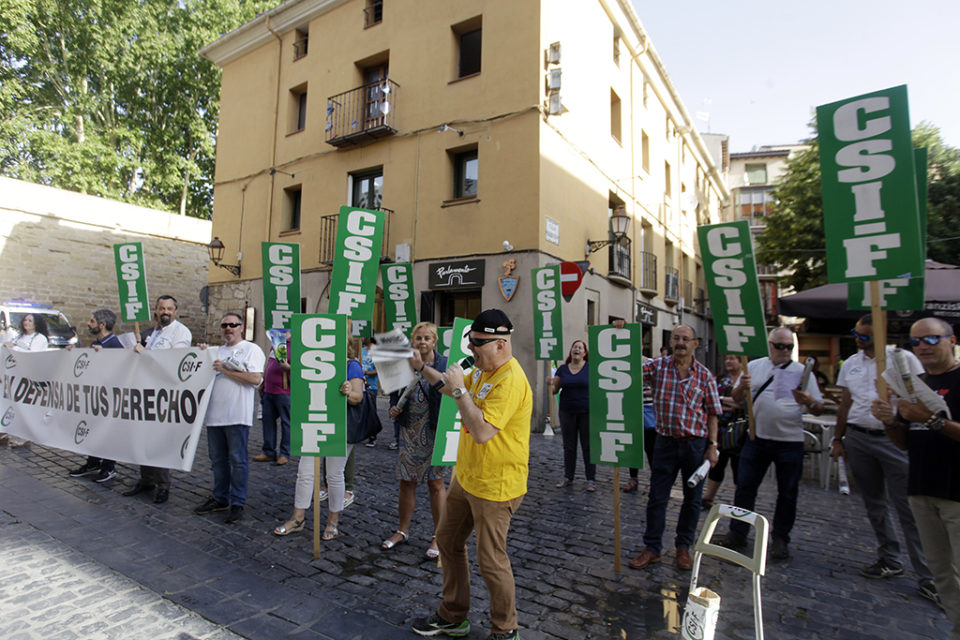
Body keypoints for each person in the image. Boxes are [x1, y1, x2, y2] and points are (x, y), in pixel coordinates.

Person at [411, 309, 531, 640]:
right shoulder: (481, 368)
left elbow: (481, 431)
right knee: (448, 541)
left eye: (478, 343)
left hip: (497, 485)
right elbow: (451, 390)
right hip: (466, 478)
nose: (472, 349)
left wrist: (461, 391)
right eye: (471, 342)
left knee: (491, 560)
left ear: (502, 344)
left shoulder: (509, 380)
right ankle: (453, 616)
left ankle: (506, 629)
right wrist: (424, 369)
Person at [832, 315, 936, 602]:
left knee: (909, 508)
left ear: (879, 335)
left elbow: (922, 398)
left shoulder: (902, 359)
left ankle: (929, 574)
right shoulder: (851, 364)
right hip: (858, 437)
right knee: (874, 504)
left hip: (893, 439)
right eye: (856, 334)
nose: (858, 339)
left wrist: (899, 402)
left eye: (864, 336)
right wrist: (838, 439)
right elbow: (845, 403)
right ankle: (889, 558)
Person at [872, 317, 960, 638]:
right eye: (916, 342)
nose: (923, 346)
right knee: (942, 574)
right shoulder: (915, 384)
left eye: (932, 339)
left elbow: (930, 422)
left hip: (956, 492)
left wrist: (931, 419)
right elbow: (905, 441)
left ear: (951, 340)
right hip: (922, 487)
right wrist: (889, 421)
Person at [721, 327, 824, 561]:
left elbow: (818, 409)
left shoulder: (802, 372)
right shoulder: (755, 367)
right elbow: (736, 400)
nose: (785, 351)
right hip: (757, 439)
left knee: (787, 493)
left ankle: (780, 539)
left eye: (789, 347)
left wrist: (809, 400)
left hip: (790, 442)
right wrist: (741, 388)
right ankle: (738, 533)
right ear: (770, 345)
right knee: (745, 488)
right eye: (781, 346)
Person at [628, 325, 721, 572]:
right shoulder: (657, 367)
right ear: (670, 341)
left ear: (695, 344)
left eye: (685, 339)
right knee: (657, 497)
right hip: (665, 443)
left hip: (695, 445)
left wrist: (712, 446)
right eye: (677, 338)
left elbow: (713, 413)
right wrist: (621, 333)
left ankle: (683, 548)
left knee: (692, 500)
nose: (680, 343)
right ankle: (652, 548)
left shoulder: (704, 376)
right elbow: (627, 365)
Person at [274, 338, 364, 540]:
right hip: (314, 420)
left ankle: (333, 521)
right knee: (305, 471)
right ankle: (298, 518)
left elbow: (358, 397)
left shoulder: (352, 365)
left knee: (334, 474)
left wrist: (348, 393)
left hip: (340, 426)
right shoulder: (313, 362)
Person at [382, 322, 449, 558]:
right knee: (406, 481)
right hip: (410, 430)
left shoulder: (443, 364)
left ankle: (439, 536)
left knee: (435, 483)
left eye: (427, 338)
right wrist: (393, 409)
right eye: (418, 338)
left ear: (434, 342)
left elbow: (448, 390)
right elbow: (394, 394)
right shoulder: (403, 364)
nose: (422, 342)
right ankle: (402, 530)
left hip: (434, 430)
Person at [193, 312, 265, 524]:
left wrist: (225, 370)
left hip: (237, 416)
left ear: (241, 327)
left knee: (238, 461)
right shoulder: (216, 351)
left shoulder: (251, 349)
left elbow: (255, 379)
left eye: (233, 324)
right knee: (217, 461)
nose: (228, 328)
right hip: (214, 416)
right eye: (224, 325)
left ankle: (238, 503)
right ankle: (220, 497)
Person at [124, 295, 192, 504]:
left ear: (176, 310)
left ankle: (163, 485)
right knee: (143, 437)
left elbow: (175, 361)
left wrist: (145, 354)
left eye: (169, 309)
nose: (165, 312)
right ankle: (146, 480)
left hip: (166, 393)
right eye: (162, 308)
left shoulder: (181, 332)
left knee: (159, 441)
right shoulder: (154, 332)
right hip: (147, 391)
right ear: (156, 310)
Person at [67, 309, 124, 483]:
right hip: (95, 396)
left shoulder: (114, 344)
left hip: (109, 397)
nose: (88, 324)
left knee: (107, 432)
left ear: (102, 324)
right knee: (94, 430)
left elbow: (122, 367)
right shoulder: (96, 343)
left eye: (92, 321)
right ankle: (93, 462)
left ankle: (108, 467)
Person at [550, 339, 595, 491]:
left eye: (580, 348)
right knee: (569, 446)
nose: (576, 349)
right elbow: (554, 391)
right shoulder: (562, 369)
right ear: (571, 351)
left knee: (588, 446)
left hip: (586, 411)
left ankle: (591, 479)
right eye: (574, 347)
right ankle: (568, 477)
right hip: (567, 411)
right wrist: (551, 384)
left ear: (584, 353)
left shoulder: (590, 368)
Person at [702, 354, 746, 509]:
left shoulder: (745, 380)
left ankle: (739, 502)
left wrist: (722, 400)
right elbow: (712, 399)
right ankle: (708, 497)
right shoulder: (721, 379)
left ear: (741, 362)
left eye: (733, 358)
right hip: (720, 429)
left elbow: (743, 404)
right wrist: (727, 402)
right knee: (717, 464)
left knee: (739, 466)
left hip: (740, 431)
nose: (728, 361)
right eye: (727, 358)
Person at [1, 313, 49, 447]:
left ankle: (25, 436)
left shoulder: (40, 338)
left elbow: (33, 355)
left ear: (36, 323)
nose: (26, 322)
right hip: (14, 375)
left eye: (30, 320)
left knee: (25, 406)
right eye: (25, 320)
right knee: (10, 404)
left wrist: (13, 348)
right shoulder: (19, 336)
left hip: (29, 376)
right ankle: (4, 431)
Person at [254, 332, 292, 466]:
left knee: (286, 423)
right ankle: (268, 451)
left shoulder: (295, 345)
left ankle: (284, 453)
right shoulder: (275, 343)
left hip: (285, 391)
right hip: (269, 389)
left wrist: (288, 368)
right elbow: (270, 363)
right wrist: (263, 384)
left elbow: (301, 369)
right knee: (267, 421)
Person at [361, 337, 380, 448]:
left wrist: (366, 372)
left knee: (371, 411)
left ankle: (373, 437)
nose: (362, 338)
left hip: (371, 386)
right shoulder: (361, 350)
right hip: (360, 385)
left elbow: (378, 369)